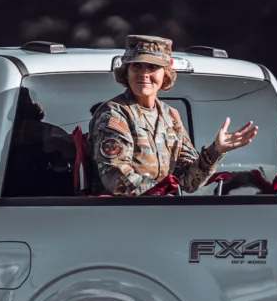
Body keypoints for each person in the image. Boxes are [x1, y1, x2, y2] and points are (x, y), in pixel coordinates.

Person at [88, 34, 258, 196]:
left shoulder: (170, 116)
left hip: (165, 215)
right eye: (137, 66)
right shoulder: (114, 114)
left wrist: (215, 151)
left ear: (165, 74)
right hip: (121, 217)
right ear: (127, 71)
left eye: (153, 67)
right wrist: (162, 194)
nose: (144, 74)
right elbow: (116, 178)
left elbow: (188, 182)